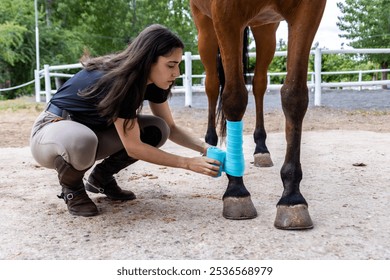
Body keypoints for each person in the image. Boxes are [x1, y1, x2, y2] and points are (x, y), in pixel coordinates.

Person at [30, 24, 220, 217]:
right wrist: (188, 163)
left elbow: (171, 127)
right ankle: (72, 190)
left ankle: (101, 178)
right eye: (171, 65)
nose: (176, 73)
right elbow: (134, 147)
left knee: (158, 129)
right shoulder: (120, 81)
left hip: (93, 132)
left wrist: (205, 148)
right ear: (148, 60)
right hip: (51, 131)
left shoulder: (152, 82)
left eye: (177, 64)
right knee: (83, 140)